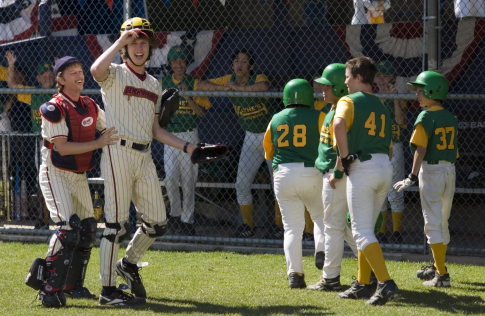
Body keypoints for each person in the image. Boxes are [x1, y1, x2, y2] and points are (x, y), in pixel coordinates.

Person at [90, 17, 198, 305]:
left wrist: (190, 147)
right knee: (115, 225)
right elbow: (95, 70)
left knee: (157, 222)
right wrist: (120, 41)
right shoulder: (113, 72)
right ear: (125, 46)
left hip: (144, 154)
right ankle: (108, 291)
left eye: (143, 42)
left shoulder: (154, 82)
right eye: (133, 42)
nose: (138, 47)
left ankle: (128, 264)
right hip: (118, 152)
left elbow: (157, 130)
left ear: (151, 47)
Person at [28, 56, 118, 307]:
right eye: (72, 72)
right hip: (55, 172)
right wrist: (98, 144)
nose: (79, 75)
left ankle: (72, 286)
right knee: (67, 228)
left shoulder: (89, 104)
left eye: (80, 70)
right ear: (60, 80)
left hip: (78, 174)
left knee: (88, 228)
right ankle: (48, 289)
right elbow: (63, 148)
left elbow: (111, 128)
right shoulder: (53, 108)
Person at [333, 57, 400, 305]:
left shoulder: (348, 100)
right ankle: (363, 283)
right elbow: (391, 149)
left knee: (360, 231)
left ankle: (385, 282)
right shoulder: (382, 106)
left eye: (348, 76)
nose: (346, 81)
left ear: (359, 78)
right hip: (384, 166)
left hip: (363, 167)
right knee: (366, 229)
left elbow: (338, 124)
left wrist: (344, 157)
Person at [198, 48, 279, 238]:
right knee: (241, 183)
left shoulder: (258, 76)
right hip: (250, 137)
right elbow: (202, 84)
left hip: (270, 136)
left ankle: (278, 226)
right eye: (236, 61)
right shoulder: (229, 80)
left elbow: (263, 87)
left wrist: (239, 89)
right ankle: (247, 226)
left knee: (278, 185)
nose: (240, 65)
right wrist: (225, 88)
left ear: (251, 66)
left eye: (244, 62)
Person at [394, 71, 457, 288]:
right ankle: (437, 265)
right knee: (442, 221)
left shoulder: (425, 116)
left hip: (431, 172)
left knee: (432, 224)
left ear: (433, 91)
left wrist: (411, 175)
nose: (417, 95)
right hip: (450, 170)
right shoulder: (450, 116)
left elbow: (420, 149)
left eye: (421, 91)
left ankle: (441, 274)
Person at [262, 78, 326, 289]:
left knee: (291, 228)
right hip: (311, 171)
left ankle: (295, 275)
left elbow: (268, 151)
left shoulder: (276, 118)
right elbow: (327, 146)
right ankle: (322, 252)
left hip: (283, 174)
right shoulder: (319, 116)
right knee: (320, 218)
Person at [306, 63, 359, 291]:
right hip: (335, 173)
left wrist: (336, 173)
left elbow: (342, 149)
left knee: (333, 227)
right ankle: (372, 271)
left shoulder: (341, 110)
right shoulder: (333, 108)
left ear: (339, 88)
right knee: (345, 229)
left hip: (335, 175)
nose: (322, 90)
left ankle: (330, 279)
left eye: (328, 86)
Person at [159, 45, 211, 236]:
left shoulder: (194, 82)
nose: (179, 65)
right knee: (170, 178)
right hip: (171, 136)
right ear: (170, 63)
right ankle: (175, 214)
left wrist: (188, 95)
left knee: (189, 180)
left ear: (186, 63)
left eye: (182, 61)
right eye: (175, 61)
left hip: (190, 133)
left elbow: (202, 113)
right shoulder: (163, 82)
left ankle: (187, 221)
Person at [374, 60, 407, 244]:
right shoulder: (372, 98)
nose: (381, 79)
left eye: (385, 76)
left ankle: (396, 231)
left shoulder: (399, 97)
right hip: (378, 148)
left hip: (395, 145)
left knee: (395, 189)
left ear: (393, 78)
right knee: (380, 189)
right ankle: (381, 230)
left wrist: (394, 98)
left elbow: (401, 122)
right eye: (378, 75)